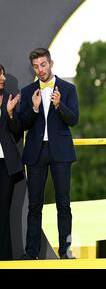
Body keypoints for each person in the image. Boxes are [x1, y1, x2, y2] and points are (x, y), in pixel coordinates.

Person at [19, 48, 79, 259]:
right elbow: (21, 124)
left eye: (43, 65)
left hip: (60, 152)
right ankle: (31, 253)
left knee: (64, 204)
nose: (40, 70)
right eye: (36, 66)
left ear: (51, 63)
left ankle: (66, 251)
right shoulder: (27, 92)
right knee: (34, 205)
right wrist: (34, 109)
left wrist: (58, 105)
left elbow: (73, 119)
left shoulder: (68, 89)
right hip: (36, 153)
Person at [0, 64, 23, 260]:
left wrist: (9, 113)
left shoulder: (9, 99)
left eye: (3, 73)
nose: (2, 78)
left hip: (4, 164)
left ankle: (4, 259)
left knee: (3, 211)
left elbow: (17, 132)